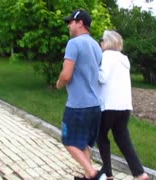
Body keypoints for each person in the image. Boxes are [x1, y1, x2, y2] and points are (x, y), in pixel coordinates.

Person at [56, 9, 106, 180]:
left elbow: (67, 74)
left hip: (78, 106)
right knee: (84, 143)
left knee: (68, 141)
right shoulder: (96, 47)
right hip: (95, 105)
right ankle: (87, 176)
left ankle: (93, 174)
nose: (69, 25)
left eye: (71, 22)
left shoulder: (74, 43)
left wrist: (59, 83)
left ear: (80, 23)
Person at [97, 30, 149, 180]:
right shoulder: (124, 59)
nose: (100, 42)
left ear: (107, 42)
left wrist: (91, 71)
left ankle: (108, 174)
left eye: (102, 40)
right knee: (122, 138)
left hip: (108, 105)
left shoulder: (106, 56)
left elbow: (102, 78)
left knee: (101, 136)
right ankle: (140, 173)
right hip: (125, 106)